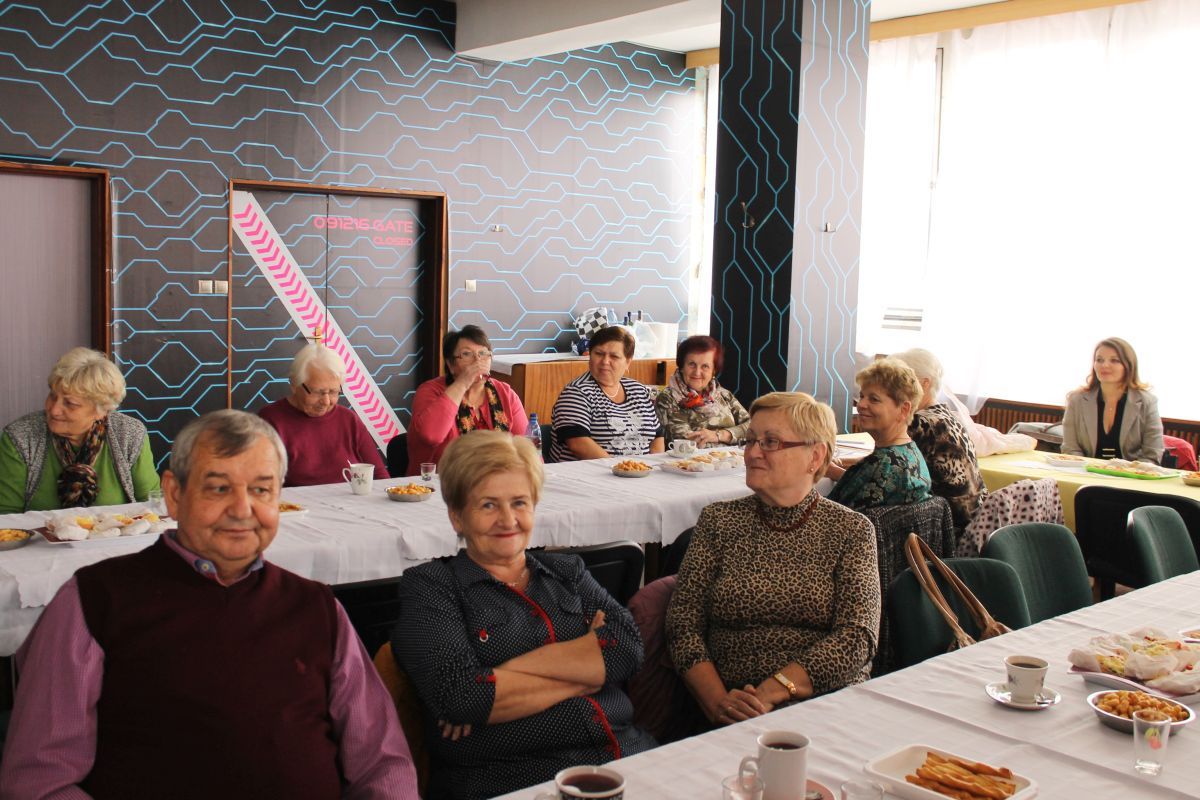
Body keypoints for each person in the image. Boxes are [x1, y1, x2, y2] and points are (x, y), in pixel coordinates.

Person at [0, 410, 418, 799]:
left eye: (261, 489)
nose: (241, 509)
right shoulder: (93, 602)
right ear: (174, 494)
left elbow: (382, 764)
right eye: (218, 488)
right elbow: (39, 782)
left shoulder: (317, 609)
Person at [390, 431, 654, 800]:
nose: (507, 519)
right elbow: (463, 697)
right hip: (514, 779)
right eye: (488, 505)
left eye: (519, 502)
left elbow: (627, 649)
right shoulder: (433, 587)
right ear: (457, 517)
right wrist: (588, 669)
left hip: (627, 759)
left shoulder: (568, 572)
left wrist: (496, 678)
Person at [666, 392, 880, 728]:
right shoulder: (719, 521)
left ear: (815, 456)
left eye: (770, 442)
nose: (752, 453)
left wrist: (770, 693)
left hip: (824, 708)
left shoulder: (850, 530)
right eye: (751, 440)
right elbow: (683, 624)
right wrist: (720, 704)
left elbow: (857, 637)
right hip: (727, 703)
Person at [0, 347, 159, 514]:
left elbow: (151, 505)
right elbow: (6, 516)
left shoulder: (129, 434)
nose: (54, 410)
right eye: (53, 396)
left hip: (117, 531)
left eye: (70, 403)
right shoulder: (20, 437)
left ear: (102, 410)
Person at [258, 342, 388, 485]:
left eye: (333, 392)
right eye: (318, 392)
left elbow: (379, 476)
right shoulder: (270, 421)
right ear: (294, 384)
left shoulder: (349, 419)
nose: (326, 402)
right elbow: (261, 483)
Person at [407, 325, 528, 474]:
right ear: (451, 365)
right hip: (440, 482)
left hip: (498, 479)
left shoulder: (505, 393)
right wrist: (463, 382)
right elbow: (431, 435)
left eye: (483, 353)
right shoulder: (430, 391)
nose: (477, 360)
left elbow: (527, 449)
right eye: (467, 354)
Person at [892, 348, 987, 532]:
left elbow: (888, 482)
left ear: (924, 383)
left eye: (899, 381)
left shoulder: (920, 423)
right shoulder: (948, 416)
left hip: (946, 530)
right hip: (975, 523)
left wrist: (837, 472)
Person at [827, 358, 931, 511]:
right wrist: (835, 471)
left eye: (874, 399)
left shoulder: (883, 465)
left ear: (903, 409)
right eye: (862, 396)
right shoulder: (910, 453)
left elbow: (839, 517)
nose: (861, 404)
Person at [550, 325, 664, 461]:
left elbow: (657, 436)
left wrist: (652, 465)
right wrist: (621, 468)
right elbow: (578, 444)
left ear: (628, 362)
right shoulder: (576, 392)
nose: (605, 361)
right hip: (592, 472)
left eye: (614, 356)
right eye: (599, 354)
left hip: (641, 470)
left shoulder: (639, 390)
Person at [1061, 337, 1164, 463]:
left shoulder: (1147, 402)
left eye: (1114, 360)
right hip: (1084, 470)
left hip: (1130, 473)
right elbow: (1070, 448)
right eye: (1099, 360)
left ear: (1128, 365)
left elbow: (1152, 454)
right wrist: (1085, 468)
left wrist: (1129, 471)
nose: (1104, 365)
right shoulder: (1076, 400)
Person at [655, 335, 751, 447]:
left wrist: (720, 435)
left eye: (705, 366)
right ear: (681, 367)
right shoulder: (668, 399)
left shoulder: (723, 394)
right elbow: (686, 444)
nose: (697, 372)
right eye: (692, 364)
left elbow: (753, 427)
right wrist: (737, 436)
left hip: (733, 457)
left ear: (713, 371)